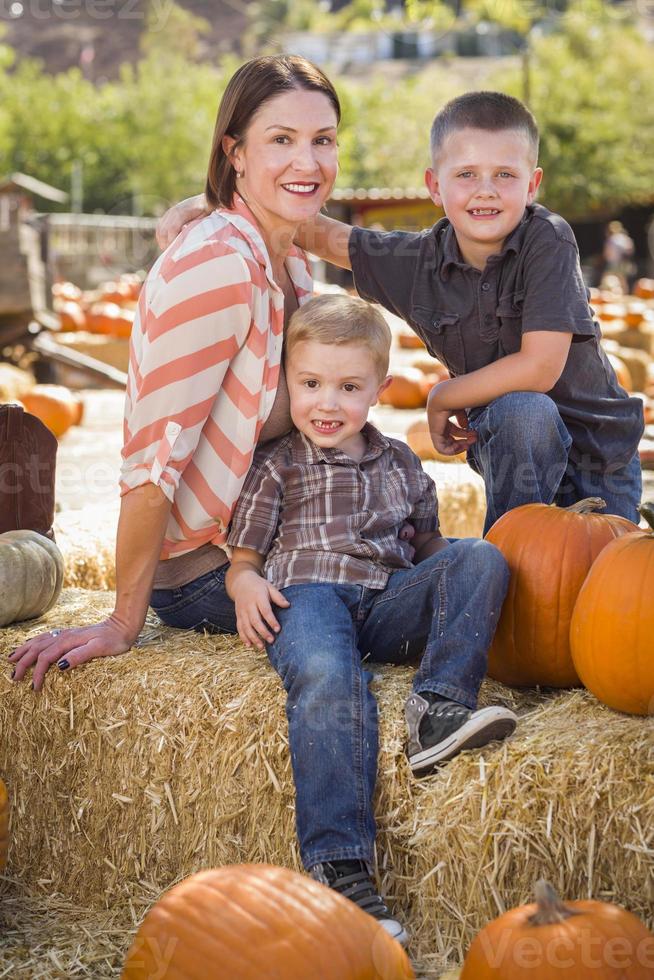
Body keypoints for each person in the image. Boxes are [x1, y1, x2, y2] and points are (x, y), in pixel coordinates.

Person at [160, 92, 644, 534]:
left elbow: (540, 366)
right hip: (515, 443)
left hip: (598, 459)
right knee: (523, 419)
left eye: (505, 175)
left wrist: (442, 396)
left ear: (532, 184)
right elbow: (316, 232)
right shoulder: (416, 265)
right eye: (466, 174)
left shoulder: (546, 239)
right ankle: (513, 564)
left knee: (603, 598)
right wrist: (212, 202)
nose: (486, 190)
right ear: (434, 185)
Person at [8, 54, 340, 691]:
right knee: (406, 603)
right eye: (281, 140)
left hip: (270, 539)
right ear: (234, 151)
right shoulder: (217, 265)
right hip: (206, 573)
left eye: (322, 140)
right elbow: (153, 459)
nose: (308, 161)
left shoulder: (292, 261)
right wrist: (121, 623)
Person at [225, 293, 516, 945]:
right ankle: (340, 865)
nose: (327, 403)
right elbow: (243, 560)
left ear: (380, 389)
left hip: (383, 600)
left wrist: (460, 584)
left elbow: (432, 555)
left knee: (482, 556)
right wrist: (245, 583)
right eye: (310, 384)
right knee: (330, 679)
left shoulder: (403, 465)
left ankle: (437, 708)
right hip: (308, 597)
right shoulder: (277, 465)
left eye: (348, 387)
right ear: (287, 383)